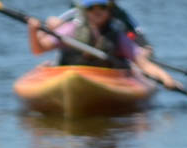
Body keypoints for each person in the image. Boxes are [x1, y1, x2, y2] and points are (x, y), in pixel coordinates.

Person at [27, 2, 177, 90]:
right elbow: (38, 50)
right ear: (85, 11)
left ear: (109, 10)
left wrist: (165, 77)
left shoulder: (118, 36)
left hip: (108, 76)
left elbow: (142, 63)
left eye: (102, 7)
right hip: (70, 73)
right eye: (91, 7)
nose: (97, 11)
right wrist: (33, 31)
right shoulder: (70, 29)